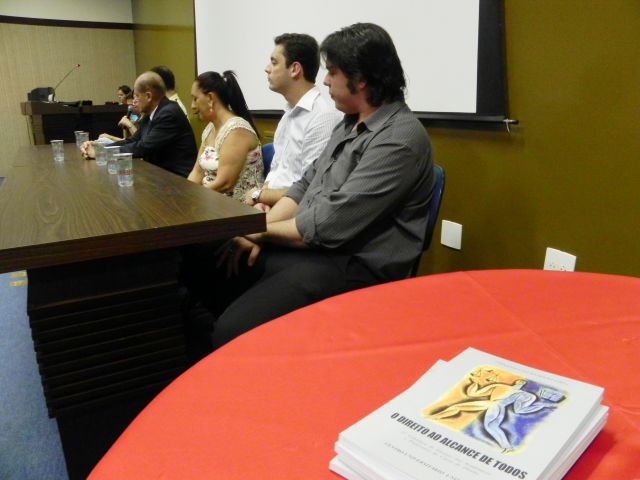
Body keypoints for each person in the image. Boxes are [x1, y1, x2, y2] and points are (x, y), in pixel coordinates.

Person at [183, 23, 434, 351]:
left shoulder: (399, 138)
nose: (325, 80)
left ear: (360, 79)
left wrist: (259, 231)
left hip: (356, 264)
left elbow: (329, 225)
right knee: (207, 260)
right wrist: (255, 230)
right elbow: (304, 186)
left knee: (232, 332)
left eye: (332, 72)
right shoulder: (349, 123)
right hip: (317, 248)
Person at [244, 33, 341, 210]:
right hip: (272, 206)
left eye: (274, 62)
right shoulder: (289, 113)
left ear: (295, 69)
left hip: (296, 214)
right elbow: (276, 171)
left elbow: (310, 190)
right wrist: (262, 201)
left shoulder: (322, 117)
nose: (267, 69)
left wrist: (259, 195)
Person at [81, 71, 196, 178]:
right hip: (159, 175)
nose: (133, 101)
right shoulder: (151, 113)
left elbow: (143, 147)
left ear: (148, 96)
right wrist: (101, 147)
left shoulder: (169, 113)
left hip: (177, 180)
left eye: (136, 96)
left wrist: (102, 153)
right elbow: (133, 140)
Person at [187, 70, 263, 201]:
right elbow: (197, 172)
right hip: (210, 200)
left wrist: (194, 198)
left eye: (195, 99)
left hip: (235, 207)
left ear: (210, 98)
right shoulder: (210, 129)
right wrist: (184, 194)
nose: (192, 106)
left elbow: (225, 183)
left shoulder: (236, 129)